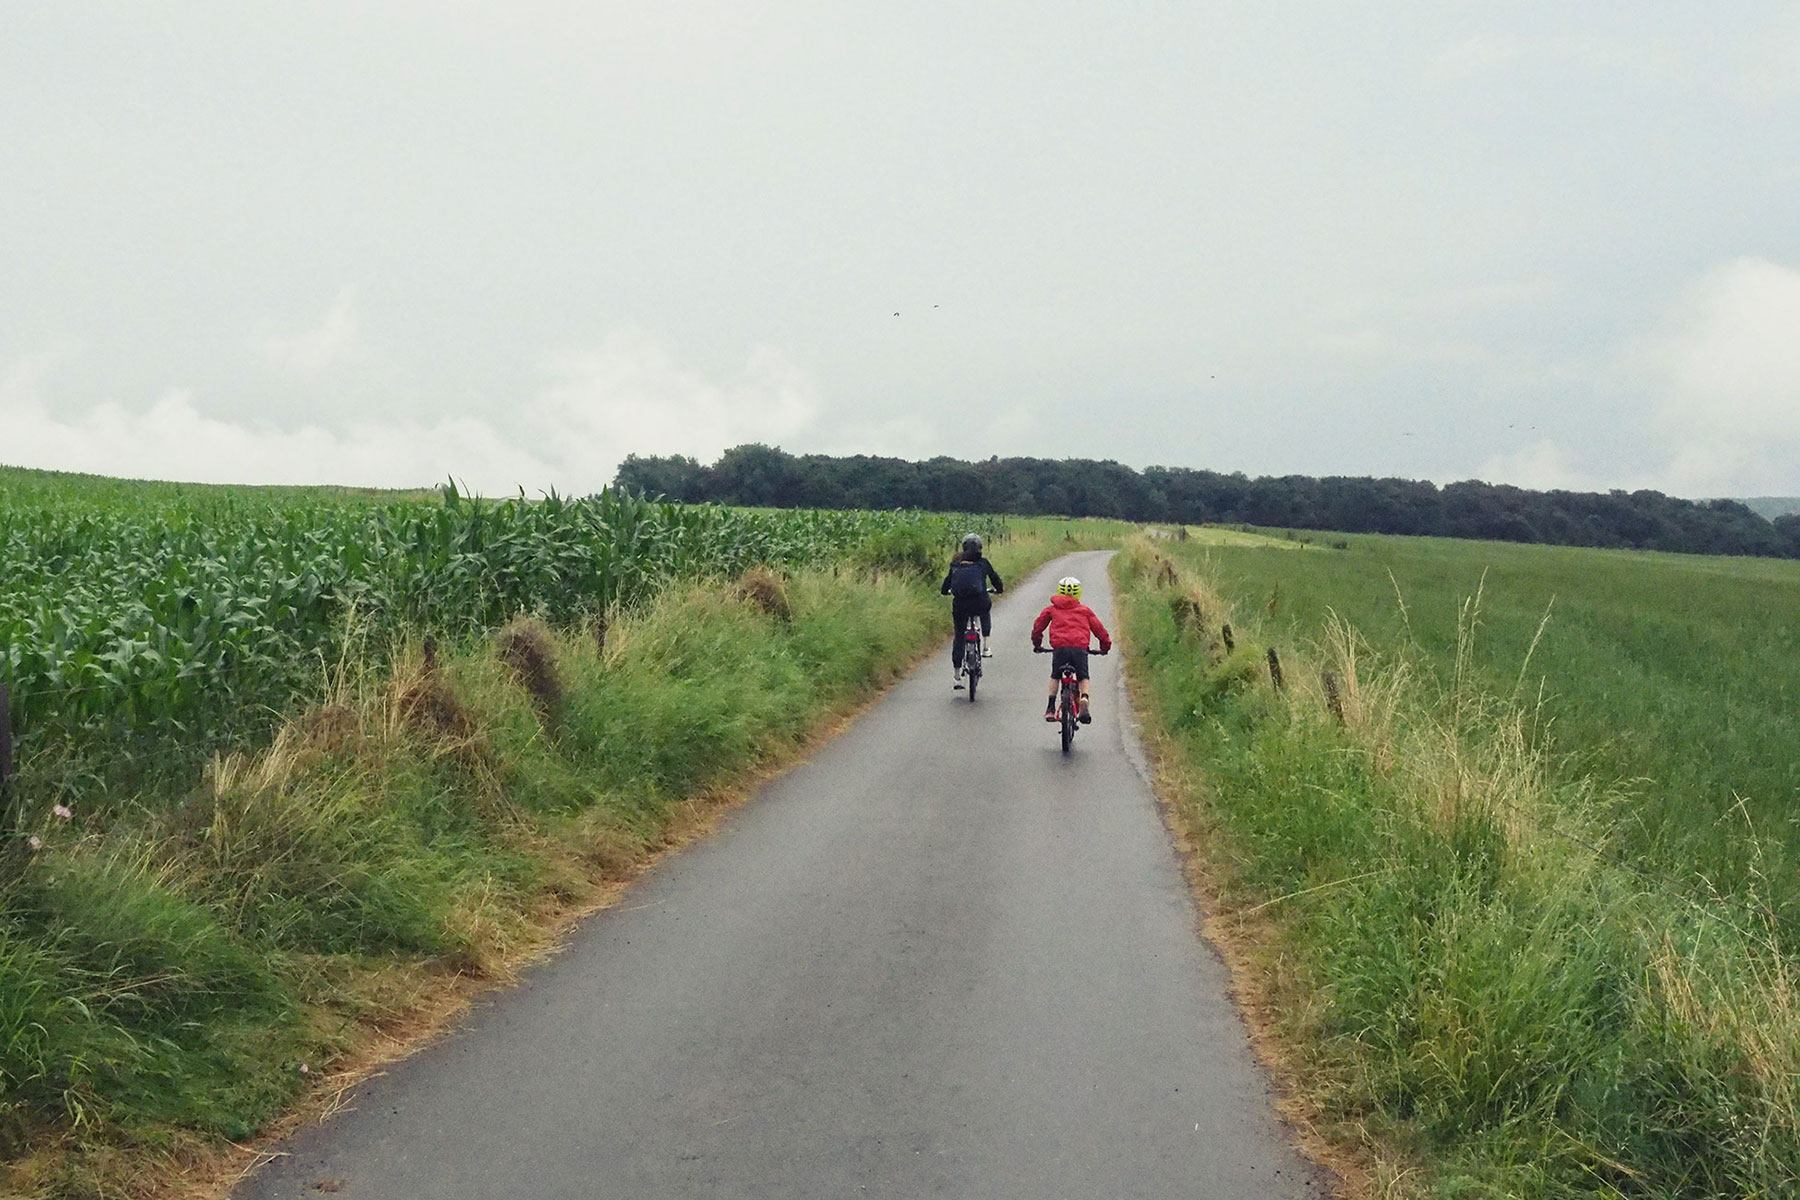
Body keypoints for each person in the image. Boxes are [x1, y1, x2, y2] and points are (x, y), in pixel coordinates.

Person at [1030, 576, 1111, 723]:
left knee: (1055, 676)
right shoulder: (1085, 611)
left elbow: (1038, 627)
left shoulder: (1051, 610)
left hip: (1060, 648)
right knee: (1083, 677)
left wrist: (1037, 644)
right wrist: (1104, 647)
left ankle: (1050, 707)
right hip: (1079, 649)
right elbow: (1099, 630)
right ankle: (1084, 698)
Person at [941, 532, 1004, 688]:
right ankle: (986, 646)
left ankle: (957, 676)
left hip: (960, 606)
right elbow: (995, 579)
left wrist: (946, 592)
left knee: (959, 636)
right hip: (980, 604)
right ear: (980, 547)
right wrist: (999, 590)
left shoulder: (956, 563)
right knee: (985, 608)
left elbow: (945, 586)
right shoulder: (983, 563)